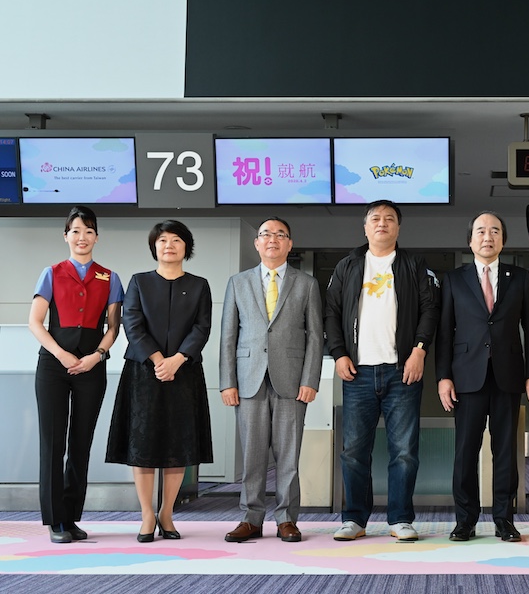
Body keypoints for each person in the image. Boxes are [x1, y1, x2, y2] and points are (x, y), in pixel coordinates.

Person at [325, 200, 440, 542]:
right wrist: (338, 353)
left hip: (401, 371)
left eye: (389, 219)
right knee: (353, 451)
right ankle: (355, 520)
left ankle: (400, 518)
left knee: (404, 451)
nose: (382, 223)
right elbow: (331, 312)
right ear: (365, 227)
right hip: (357, 372)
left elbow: (429, 310)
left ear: (398, 228)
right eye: (375, 218)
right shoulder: (347, 266)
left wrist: (419, 351)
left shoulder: (414, 265)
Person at [435, 211, 529, 542]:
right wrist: (443, 377)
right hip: (466, 378)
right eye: (480, 231)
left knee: (506, 450)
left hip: (508, 376)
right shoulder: (454, 279)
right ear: (470, 241)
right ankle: (465, 520)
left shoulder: (520, 277)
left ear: (503, 240)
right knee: (465, 450)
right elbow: (444, 333)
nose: (487, 236)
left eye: (494, 231)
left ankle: (504, 519)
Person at [106, 220, 213, 542]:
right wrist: (158, 360)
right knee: (145, 445)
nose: (169, 245)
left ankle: (167, 513)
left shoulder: (199, 285)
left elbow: (202, 328)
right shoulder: (139, 282)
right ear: (154, 247)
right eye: (162, 240)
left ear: (186, 247)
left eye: (176, 240)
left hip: (184, 372)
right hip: (144, 373)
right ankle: (147, 515)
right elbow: (132, 325)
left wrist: (177, 359)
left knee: (176, 446)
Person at [220, 217, 324, 543]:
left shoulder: (306, 284)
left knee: (288, 455)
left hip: (292, 381)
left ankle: (286, 519)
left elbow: (315, 337)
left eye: (280, 235)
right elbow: (228, 336)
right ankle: (251, 518)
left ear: (290, 244)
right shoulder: (238, 283)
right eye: (265, 234)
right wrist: (227, 381)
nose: (272, 240)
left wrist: (311, 379)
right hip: (249, 379)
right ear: (257, 242)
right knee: (252, 454)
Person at [28, 205, 124, 544]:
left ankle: (70, 518)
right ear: (66, 235)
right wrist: (61, 353)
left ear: (97, 236)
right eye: (75, 231)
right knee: (52, 443)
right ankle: (55, 521)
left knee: (80, 443)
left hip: (91, 367)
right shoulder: (51, 273)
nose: (82, 237)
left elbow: (113, 328)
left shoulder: (110, 277)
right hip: (54, 365)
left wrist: (97, 356)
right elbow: (35, 322)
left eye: (88, 231)